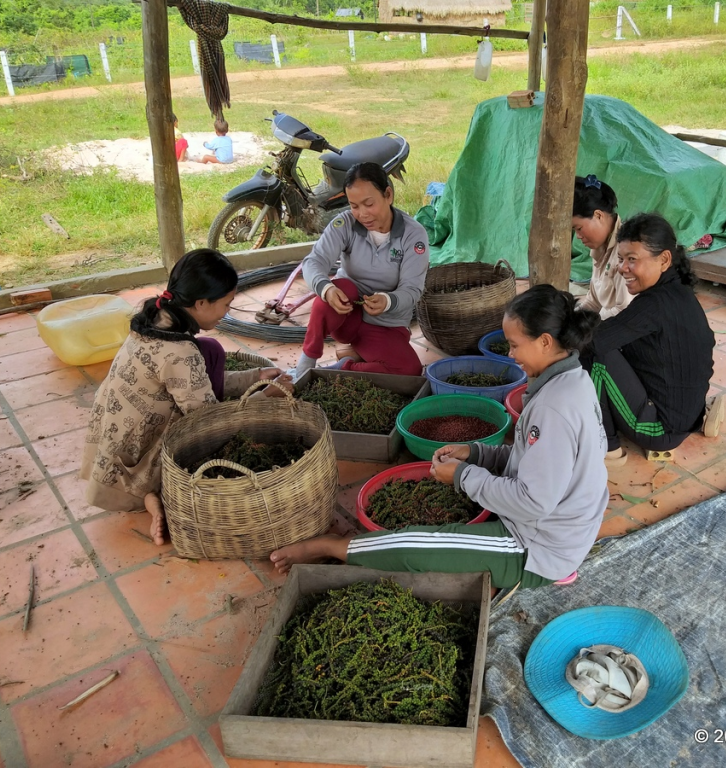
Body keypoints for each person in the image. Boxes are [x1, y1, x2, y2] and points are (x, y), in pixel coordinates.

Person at [270, 285, 609, 588]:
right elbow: (534, 461)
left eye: (515, 345)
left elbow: (532, 502)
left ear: (546, 342)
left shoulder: (553, 409)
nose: (510, 355)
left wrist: (462, 476)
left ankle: (330, 545)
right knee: (465, 504)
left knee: (422, 544)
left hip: (538, 548)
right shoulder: (572, 381)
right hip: (561, 528)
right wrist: (476, 454)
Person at [80, 249, 287, 545]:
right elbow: (208, 421)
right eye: (226, 304)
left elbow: (189, 383)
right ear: (201, 303)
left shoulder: (154, 318)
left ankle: (150, 496)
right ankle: (153, 495)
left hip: (114, 446)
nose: (227, 312)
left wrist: (252, 378)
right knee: (213, 440)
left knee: (211, 350)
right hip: (137, 461)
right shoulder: (180, 352)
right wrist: (267, 396)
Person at [583, 212, 724, 468]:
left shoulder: (654, 304)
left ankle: (608, 447)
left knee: (594, 354)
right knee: (610, 343)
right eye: (621, 259)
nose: (622, 268)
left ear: (664, 260)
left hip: (659, 430)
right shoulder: (677, 292)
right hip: (685, 415)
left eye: (632, 260)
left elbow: (594, 341)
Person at [293, 162, 429, 377]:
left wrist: (388, 300)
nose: (362, 214)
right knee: (340, 287)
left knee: (409, 371)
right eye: (354, 206)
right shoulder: (344, 224)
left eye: (369, 203)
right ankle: (305, 365)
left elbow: (412, 290)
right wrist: (327, 289)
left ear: (388, 195)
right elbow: (314, 262)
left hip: (386, 324)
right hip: (347, 316)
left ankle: (342, 370)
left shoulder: (413, 235)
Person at [572, 174, 632, 320]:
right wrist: (571, 319)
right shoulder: (600, 247)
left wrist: (585, 329)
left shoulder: (625, 251)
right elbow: (593, 302)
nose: (578, 236)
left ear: (598, 215)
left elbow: (624, 311)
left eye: (579, 228)